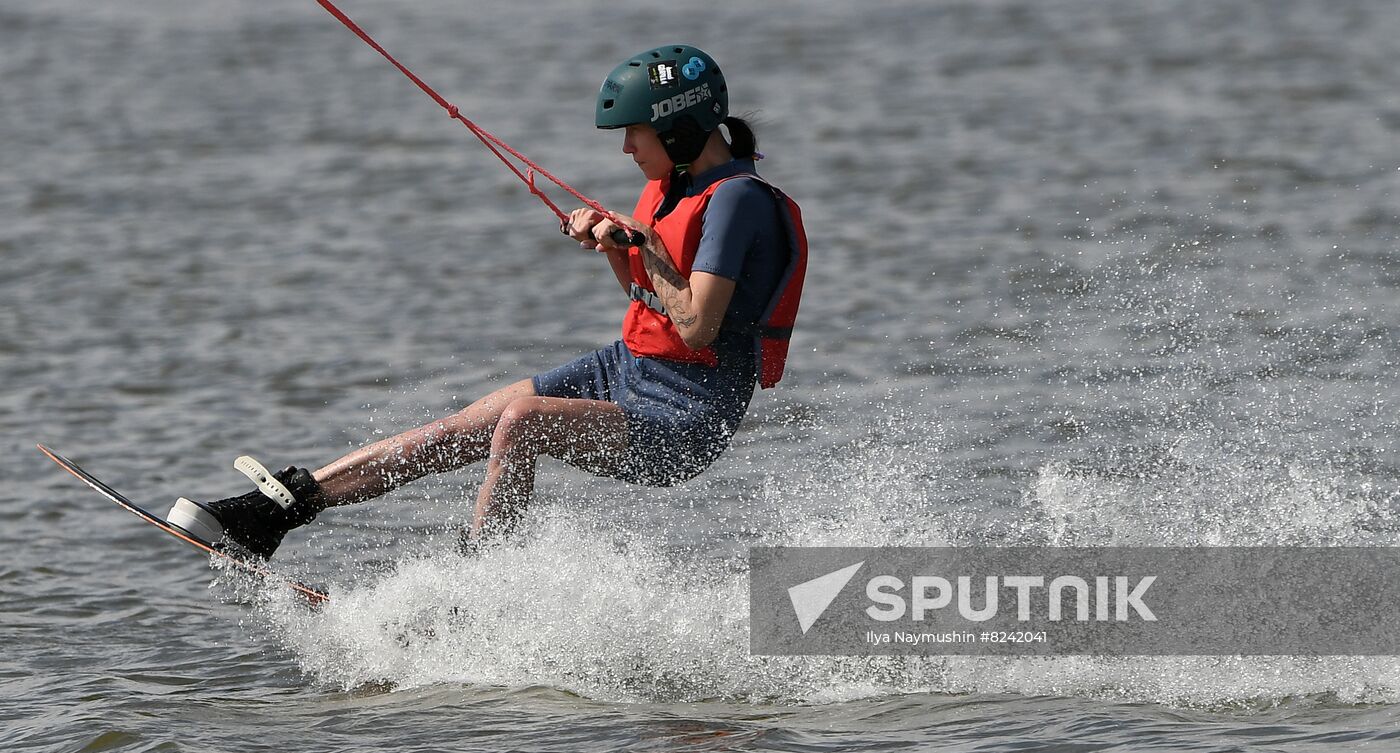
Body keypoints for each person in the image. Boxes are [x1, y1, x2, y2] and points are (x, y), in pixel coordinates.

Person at [165, 44, 809, 560]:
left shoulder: (737, 202)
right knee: (463, 427)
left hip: (689, 415)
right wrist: (617, 247)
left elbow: (697, 328)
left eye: (633, 134)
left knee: (523, 420)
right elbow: (650, 298)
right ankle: (279, 512)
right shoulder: (671, 188)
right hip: (628, 369)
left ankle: (480, 587)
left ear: (678, 129)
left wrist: (648, 248)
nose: (624, 149)